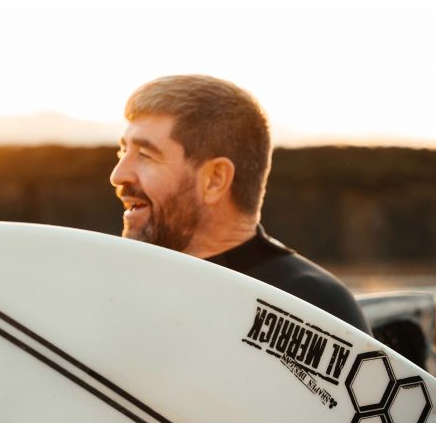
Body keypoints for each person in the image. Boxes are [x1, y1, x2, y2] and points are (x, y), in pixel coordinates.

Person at [109, 74, 369, 334]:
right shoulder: (119, 290)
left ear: (214, 179)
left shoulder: (313, 307)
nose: (118, 175)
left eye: (144, 155)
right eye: (123, 151)